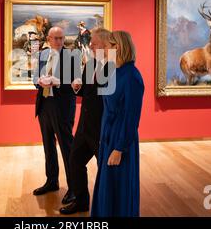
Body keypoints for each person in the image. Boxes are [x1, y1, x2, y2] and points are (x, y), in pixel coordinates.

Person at [91, 31, 145, 217]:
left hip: (120, 140)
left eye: (107, 46)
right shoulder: (114, 71)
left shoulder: (132, 77)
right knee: (107, 185)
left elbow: (131, 117)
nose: (104, 50)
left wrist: (119, 148)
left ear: (118, 47)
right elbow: (106, 108)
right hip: (108, 136)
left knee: (119, 187)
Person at [60, 28, 112, 215]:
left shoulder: (113, 65)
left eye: (95, 43)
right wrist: (77, 87)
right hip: (84, 126)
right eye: (91, 42)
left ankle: (106, 206)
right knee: (75, 161)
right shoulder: (91, 64)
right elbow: (87, 93)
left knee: (105, 170)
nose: (90, 45)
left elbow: (109, 99)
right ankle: (81, 203)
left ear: (106, 44)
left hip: (101, 128)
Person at [33, 26, 78, 205]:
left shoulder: (72, 56)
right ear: (49, 39)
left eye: (62, 38)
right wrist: (39, 81)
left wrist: (56, 82)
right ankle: (52, 181)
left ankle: (74, 188)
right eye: (56, 38)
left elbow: (77, 84)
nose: (59, 42)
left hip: (63, 107)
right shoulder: (42, 55)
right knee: (48, 146)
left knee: (67, 148)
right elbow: (34, 76)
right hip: (44, 105)